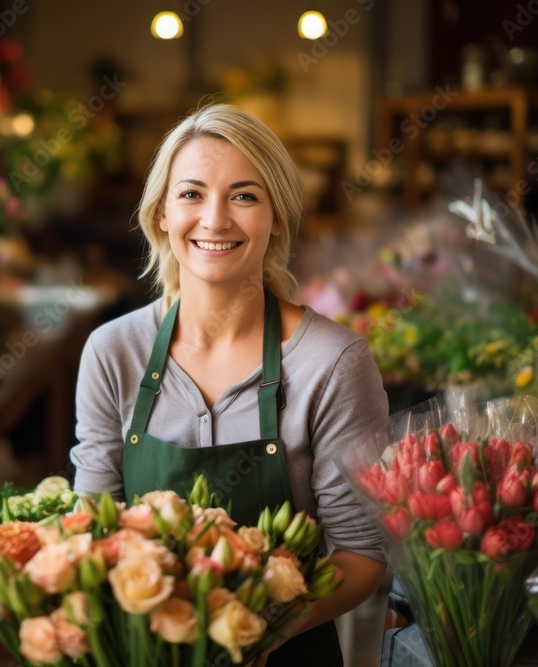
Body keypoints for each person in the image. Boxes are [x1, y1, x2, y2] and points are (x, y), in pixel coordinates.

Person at [70, 104, 388, 665]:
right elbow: (92, 530)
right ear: (161, 214)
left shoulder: (332, 362)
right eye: (191, 194)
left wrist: (264, 627)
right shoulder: (112, 352)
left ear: (278, 218)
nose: (215, 219)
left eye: (244, 195)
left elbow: (361, 552)